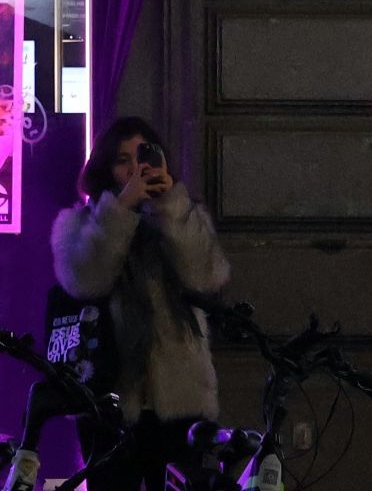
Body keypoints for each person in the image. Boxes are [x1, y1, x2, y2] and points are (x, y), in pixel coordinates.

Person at [52, 117, 231, 491]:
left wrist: (171, 208)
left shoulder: (181, 215)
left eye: (144, 156)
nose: (135, 168)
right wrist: (121, 210)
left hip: (180, 400)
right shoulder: (79, 224)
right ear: (105, 167)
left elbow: (207, 276)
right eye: (122, 160)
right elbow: (87, 280)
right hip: (109, 400)